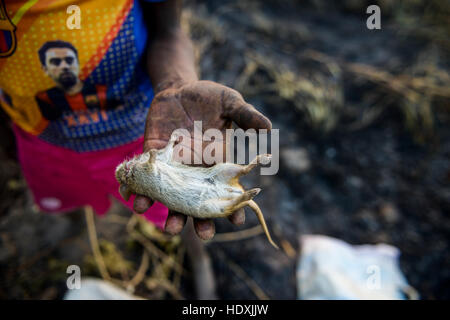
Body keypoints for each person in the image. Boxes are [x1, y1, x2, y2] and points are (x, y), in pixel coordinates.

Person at [0, 0, 271, 298]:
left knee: (186, 213)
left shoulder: (146, 158)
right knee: (70, 197)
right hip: (43, 137)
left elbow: (167, 30)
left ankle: (199, 256)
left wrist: (176, 84)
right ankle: (77, 224)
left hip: (142, 131)